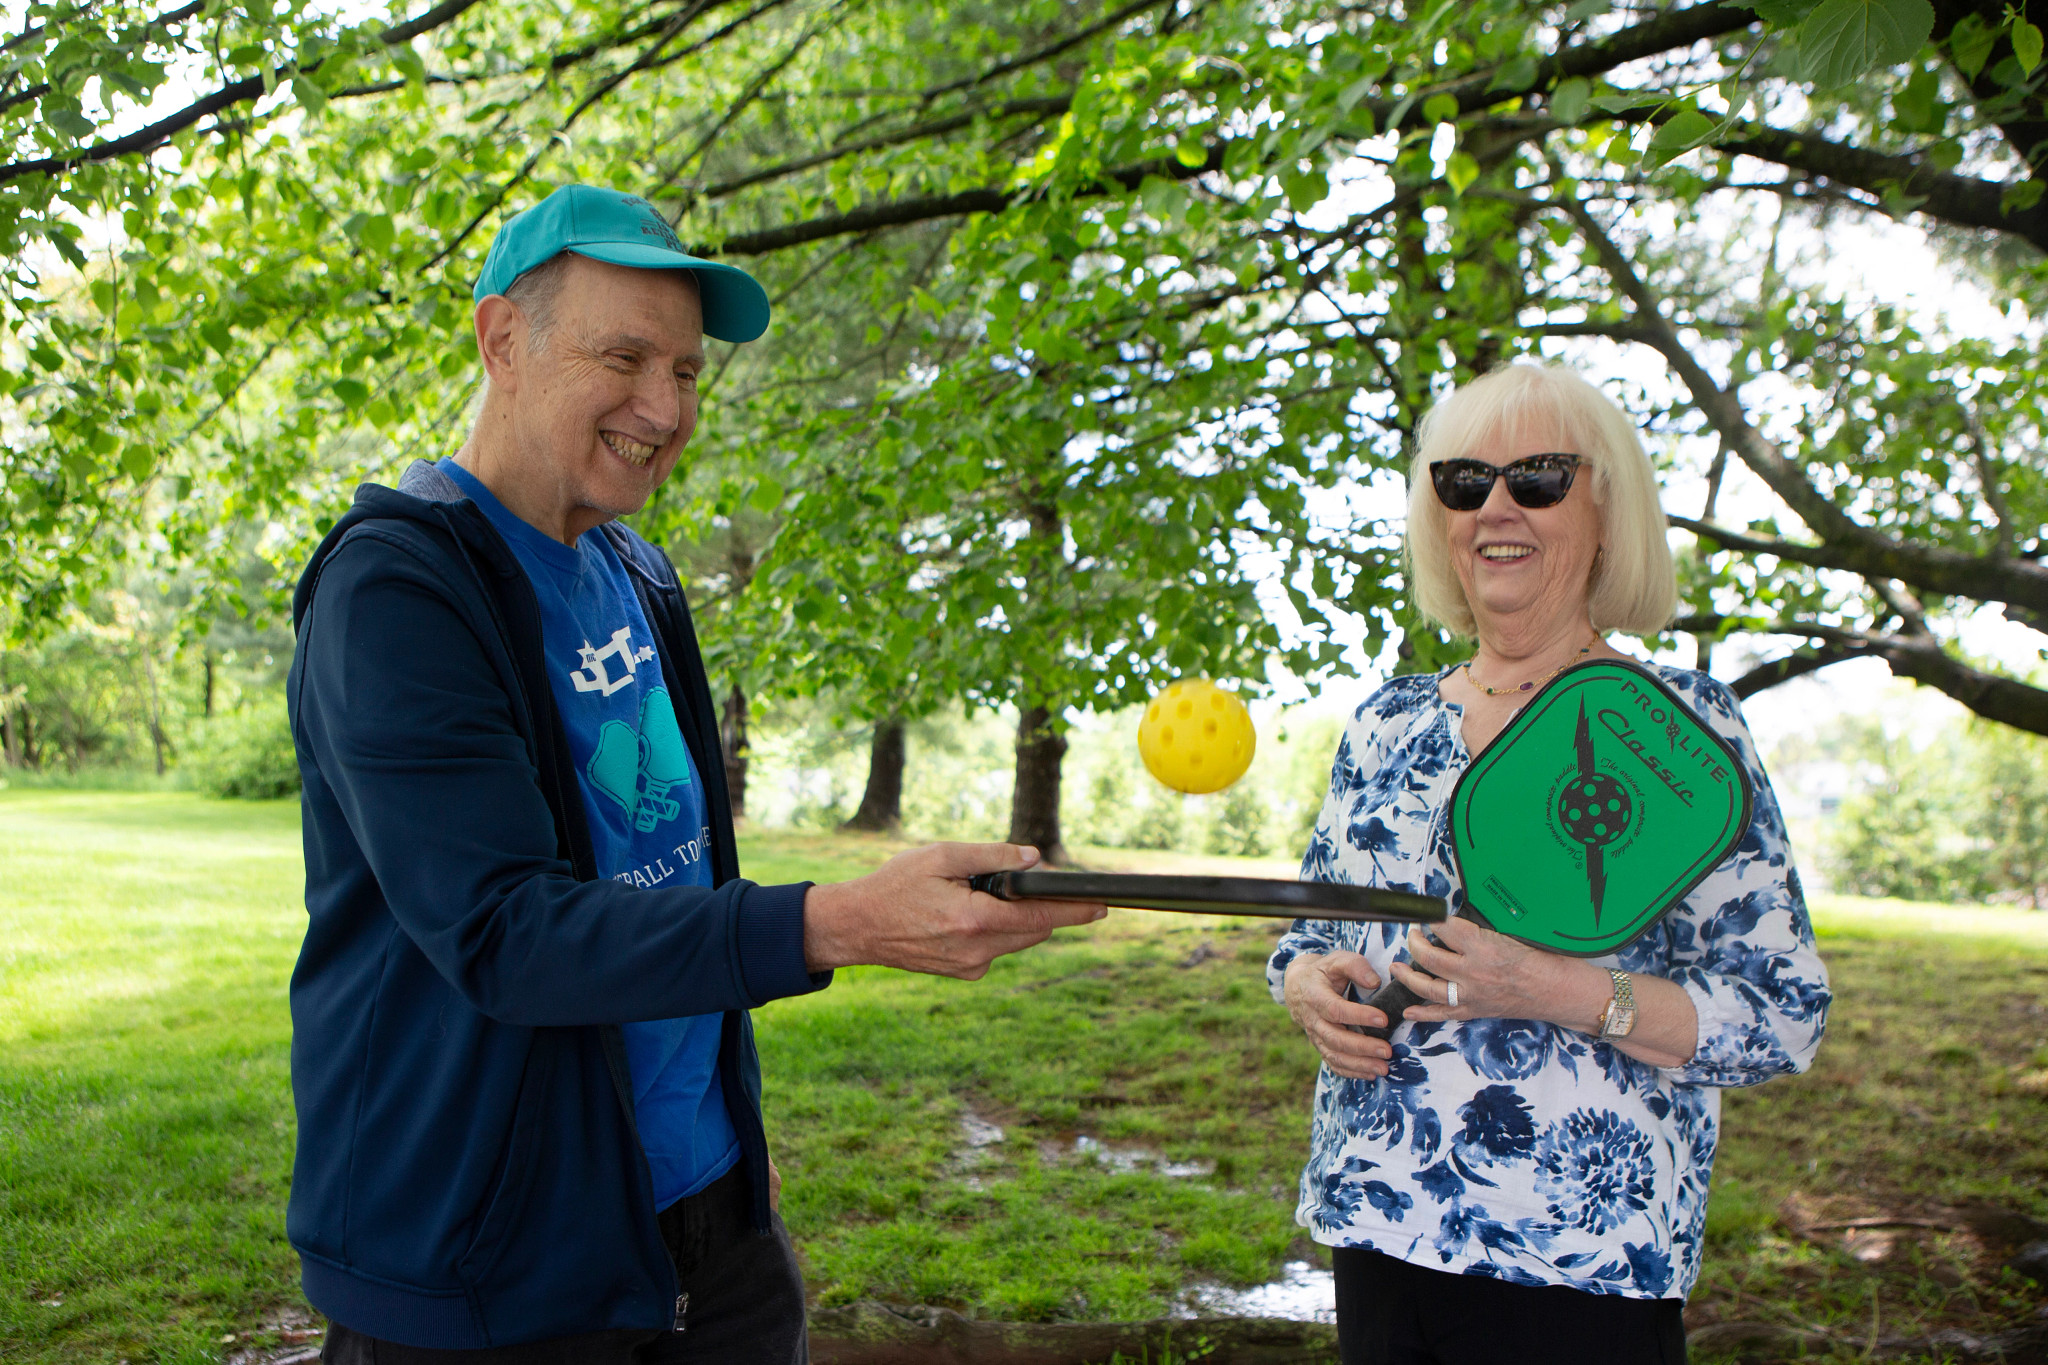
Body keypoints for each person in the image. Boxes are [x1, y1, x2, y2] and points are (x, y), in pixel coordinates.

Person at [286, 184, 1103, 1365]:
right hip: (486, 1268)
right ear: (499, 338)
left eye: (687, 372)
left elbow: (671, 869)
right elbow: (508, 935)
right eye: (624, 356)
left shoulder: (635, 569)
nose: (663, 408)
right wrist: (835, 926)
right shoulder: (399, 591)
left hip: (710, 1229)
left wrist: (727, 1132)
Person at [1269, 363, 1830, 1365]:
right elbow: (1314, 930)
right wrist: (1306, 986)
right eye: (1461, 482)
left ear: (1604, 512)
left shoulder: (1680, 734)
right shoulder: (1386, 723)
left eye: (1534, 478)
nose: (1494, 507)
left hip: (1581, 1262)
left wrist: (1552, 989)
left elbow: (1778, 1010)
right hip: (1377, 1228)